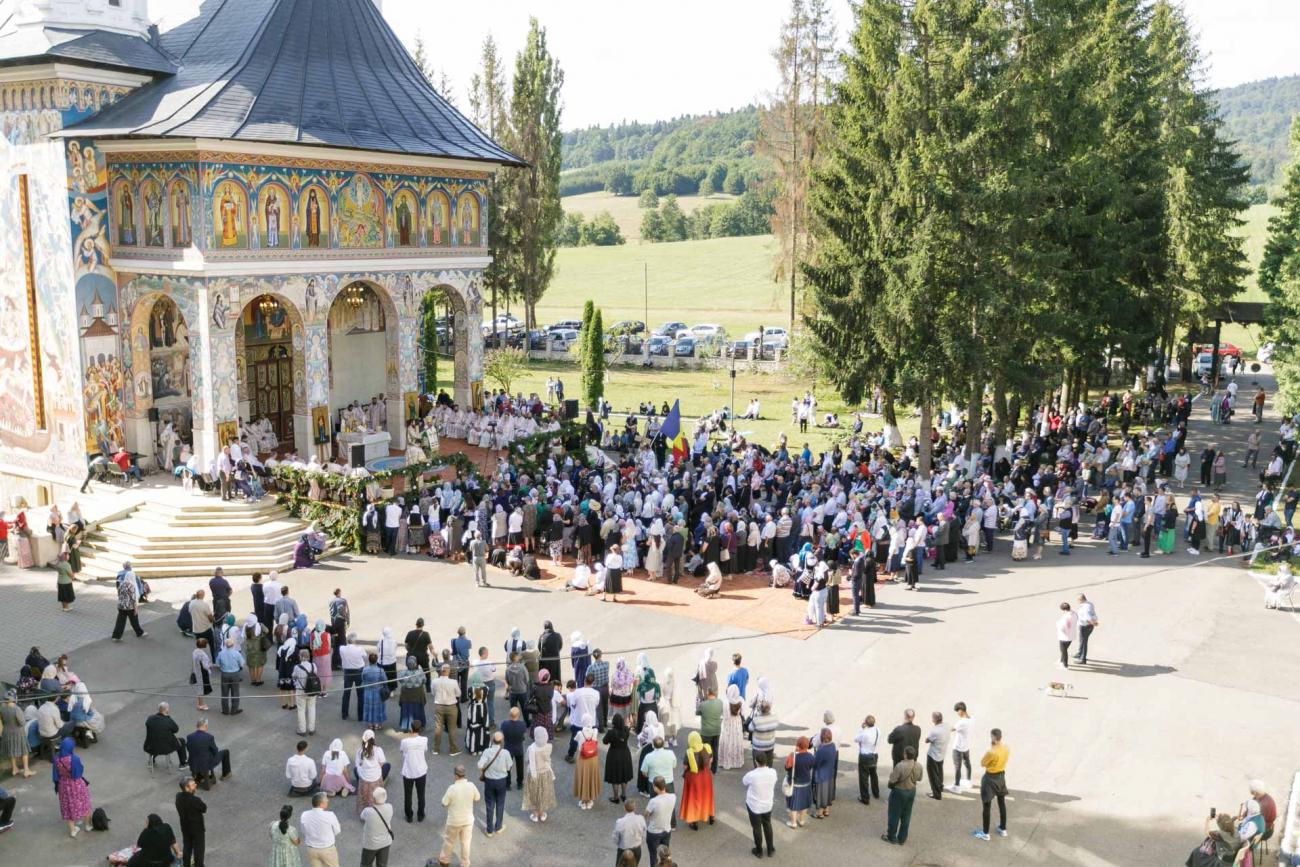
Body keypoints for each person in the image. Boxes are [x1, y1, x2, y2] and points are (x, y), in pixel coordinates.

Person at [971, 728, 1010, 841]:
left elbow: (983, 763)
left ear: (993, 737)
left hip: (990, 779)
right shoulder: (1006, 748)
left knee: (986, 806)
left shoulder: (991, 752)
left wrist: (992, 748)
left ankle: (985, 833)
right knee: (1001, 803)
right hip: (1001, 777)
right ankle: (1003, 829)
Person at [436, 765, 479, 867]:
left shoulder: (452, 788)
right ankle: (465, 863)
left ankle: (444, 860)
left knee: (449, 841)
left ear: (456, 776)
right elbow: (477, 798)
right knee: (465, 843)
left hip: (454, 821)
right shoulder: (471, 785)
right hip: (468, 821)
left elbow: (444, 803)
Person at [882, 745, 922, 846]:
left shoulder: (900, 766)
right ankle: (902, 838)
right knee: (906, 815)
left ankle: (891, 836)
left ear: (905, 755)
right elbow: (919, 778)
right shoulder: (919, 765)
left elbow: (893, 780)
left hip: (900, 791)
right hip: (911, 791)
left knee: (894, 815)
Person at [52, 737, 92, 836]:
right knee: (84, 804)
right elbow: (78, 773)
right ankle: (88, 826)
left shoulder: (56, 759)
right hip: (76, 785)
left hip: (63, 786)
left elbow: (55, 776)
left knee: (68, 807)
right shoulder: (74, 759)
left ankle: (73, 830)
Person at [477, 730, 514, 836]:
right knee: (500, 803)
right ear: (502, 741)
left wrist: (484, 768)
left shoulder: (487, 751)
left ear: (492, 740)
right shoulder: (506, 753)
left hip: (489, 781)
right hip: (501, 781)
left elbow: (480, 765)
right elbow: (509, 767)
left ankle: (489, 830)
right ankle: (498, 827)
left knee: (489, 804)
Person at [299, 791, 342, 867]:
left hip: (312, 849)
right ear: (321, 804)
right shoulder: (330, 815)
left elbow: (304, 830)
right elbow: (337, 831)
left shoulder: (304, 815)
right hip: (327, 849)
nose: (328, 801)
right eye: (326, 800)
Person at [186, 719, 231, 789]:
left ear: (197, 726)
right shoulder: (209, 737)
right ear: (206, 726)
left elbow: (188, 748)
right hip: (206, 763)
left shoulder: (189, 736)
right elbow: (215, 751)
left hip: (193, 762)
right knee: (225, 752)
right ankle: (226, 774)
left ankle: (199, 776)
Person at [525, 726, 557, 822]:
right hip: (545, 773)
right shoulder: (549, 746)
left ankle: (535, 814)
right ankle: (542, 813)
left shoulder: (531, 748)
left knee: (534, 793)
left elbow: (527, 759)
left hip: (534, 774)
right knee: (543, 792)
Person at [399, 720, 429, 823]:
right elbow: (425, 750)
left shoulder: (405, 741)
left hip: (408, 771)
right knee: (421, 794)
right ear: (420, 729)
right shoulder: (424, 740)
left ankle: (409, 816)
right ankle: (420, 815)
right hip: (421, 771)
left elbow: (402, 750)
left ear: (411, 729)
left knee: (408, 795)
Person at [1, 690, 34, 777]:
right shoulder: (16, 709)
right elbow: (22, 722)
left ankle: (14, 769)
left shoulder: (2, 708)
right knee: (24, 751)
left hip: (7, 731)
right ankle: (26, 770)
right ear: (14, 698)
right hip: (17, 732)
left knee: (11, 751)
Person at [175, 777, 207, 867]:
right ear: (186, 788)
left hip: (185, 827)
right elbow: (204, 808)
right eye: (193, 785)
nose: (195, 785)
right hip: (197, 829)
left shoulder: (178, 797)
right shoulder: (195, 800)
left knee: (187, 846)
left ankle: (186, 865)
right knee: (199, 850)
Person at [604, 713, 635, 803]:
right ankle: (624, 795)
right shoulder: (626, 730)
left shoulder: (611, 732)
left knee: (615, 776)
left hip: (614, 755)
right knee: (624, 775)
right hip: (625, 754)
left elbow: (605, 741)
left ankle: (615, 797)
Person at [783, 736, 814, 828]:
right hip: (806, 783)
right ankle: (802, 821)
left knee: (793, 805)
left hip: (794, 784)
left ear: (797, 745)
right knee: (803, 804)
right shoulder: (811, 757)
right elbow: (811, 767)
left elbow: (786, 767)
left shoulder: (792, 756)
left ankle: (793, 823)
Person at [431, 663, 461, 755]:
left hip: (439, 706)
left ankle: (435, 748)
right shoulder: (453, 682)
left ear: (440, 671)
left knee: (438, 727)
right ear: (448, 671)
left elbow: (433, 693)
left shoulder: (434, 681)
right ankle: (453, 749)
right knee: (452, 728)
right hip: (451, 706)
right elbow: (458, 694)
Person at [359, 787, 394, 867]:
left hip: (370, 844)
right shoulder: (389, 807)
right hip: (385, 842)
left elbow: (362, 816)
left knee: (366, 864)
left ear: (373, 799)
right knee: (382, 864)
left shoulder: (368, 811)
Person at [644, 776, 676, 865]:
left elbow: (646, 814)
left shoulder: (653, 801)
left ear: (655, 787)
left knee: (653, 855)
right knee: (665, 854)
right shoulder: (673, 797)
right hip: (667, 830)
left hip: (653, 832)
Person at [573, 713, 602, 809]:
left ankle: (583, 800)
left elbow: (576, 741)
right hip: (593, 757)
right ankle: (589, 800)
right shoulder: (595, 731)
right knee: (591, 777)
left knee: (582, 777)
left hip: (583, 758)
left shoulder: (579, 733)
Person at [111, 570, 148, 641]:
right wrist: (136, 609)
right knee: (134, 621)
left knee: (120, 622)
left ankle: (115, 636)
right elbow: (133, 599)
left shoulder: (121, 584)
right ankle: (139, 633)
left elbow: (119, 594)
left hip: (121, 606)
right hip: (130, 607)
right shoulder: (131, 586)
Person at [854, 714, 881, 804]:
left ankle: (865, 798)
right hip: (874, 754)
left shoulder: (865, 733)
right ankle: (876, 793)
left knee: (863, 777)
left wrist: (861, 729)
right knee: (874, 774)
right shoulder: (878, 730)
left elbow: (856, 739)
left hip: (865, 756)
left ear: (866, 723)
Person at [339, 636, 368, 720]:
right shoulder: (359, 649)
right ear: (354, 641)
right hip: (359, 671)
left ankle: (344, 714)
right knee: (360, 694)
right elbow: (365, 656)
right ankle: (360, 716)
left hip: (348, 672)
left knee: (346, 693)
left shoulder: (342, 648)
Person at [215, 637, 245, 716]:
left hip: (224, 674)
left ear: (225, 645)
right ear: (233, 645)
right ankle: (234, 710)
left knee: (224, 692)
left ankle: (225, 710)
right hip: (235, 674)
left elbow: (217, 664)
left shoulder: (221, 653)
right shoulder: (236, 653)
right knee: (235, 692)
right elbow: (242, 664)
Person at [718, 684, 746, 770]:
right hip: (737, 722)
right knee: (736, 740)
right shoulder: (741, 700)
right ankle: (736, 761)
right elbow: (743, 713)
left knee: (727, 740)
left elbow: (724, 715)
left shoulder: (726, 702)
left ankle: (726, 760)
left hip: (728, 723)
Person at [613, 799, 647, 866]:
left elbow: (615, 837)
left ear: (624, 808)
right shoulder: (641, 819)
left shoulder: (620, 822)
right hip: (637, 848)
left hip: (623, 849)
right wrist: (640, 842)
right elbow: (644, 833)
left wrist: (618, 844)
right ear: (634, 808)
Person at [292, 649, 319, 735]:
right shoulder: (313, 665)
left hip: (301, 691)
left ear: (301, 657)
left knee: (301, 710)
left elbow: (293, 677)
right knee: (312, 708)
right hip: (312, 690)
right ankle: (312, 729)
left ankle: (302, 730)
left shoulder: (297, 667)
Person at [948, 702, 972, 794]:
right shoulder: (971, 719)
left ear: (961, 711)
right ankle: (968, 781)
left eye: (957, 711)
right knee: (967, 763)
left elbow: (951, 729)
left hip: (958, 747)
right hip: (966, 746)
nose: (957, 713)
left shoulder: (961, 722)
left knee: (957, 767)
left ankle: (956, 786)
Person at [924, 711, 949, 800]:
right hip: (942, 753)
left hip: (933, 755)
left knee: (933, 775)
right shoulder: (946, 726)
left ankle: (936, 794)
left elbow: (926, 740)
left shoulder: (935, 731)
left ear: (934, 719)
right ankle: (940, 787)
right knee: (940, 771)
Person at [696, 688, 723, 773]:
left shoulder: (703, 704)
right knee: (715, 749)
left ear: (707, 694)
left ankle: (705, 768)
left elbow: (697, 712)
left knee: (705, 751)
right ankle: (714, 769)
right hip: (716, 730)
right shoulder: (720, 702)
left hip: (706, 732)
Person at [359, 653, 388, 730]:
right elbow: (385, 680)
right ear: (376, 660)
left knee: (369, 707)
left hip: (368, 691)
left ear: (369, 660)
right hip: (378, 692)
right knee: (378, 708)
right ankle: (378, 724)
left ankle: (370, 724)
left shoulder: (365, 669)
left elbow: (363, 679)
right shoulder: (380, 670)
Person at [1074, 594, 1098, 664]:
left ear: (1081, 600)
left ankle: (1082, 659)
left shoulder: (1085, 608)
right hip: (1086, 626)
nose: (1077, 601)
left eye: (1078, 600)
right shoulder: (1089, 603)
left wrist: (1094, 623)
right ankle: (1079, 653)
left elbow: (1088, 618)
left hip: (1085, 626)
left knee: (1084, 642)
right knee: (1082, 641)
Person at [465, 685, 489, 755]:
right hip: (483, 709)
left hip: (473, 709)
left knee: (473, 729)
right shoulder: (486, 688)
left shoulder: (470, 689)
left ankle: (473, 749)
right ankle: (482, 748)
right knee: (483, 728)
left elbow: (470, 697)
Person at [1056, 601, 1078, 669]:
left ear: (1064, 610)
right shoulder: (1074, 614)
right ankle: (1061, 660)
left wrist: (1057, 624)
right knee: (1064, 649)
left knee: (1063, 650)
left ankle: (1064, 665)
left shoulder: (1066, 617)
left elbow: (1062, 627)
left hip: (1064, 637)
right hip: (1071, 635)